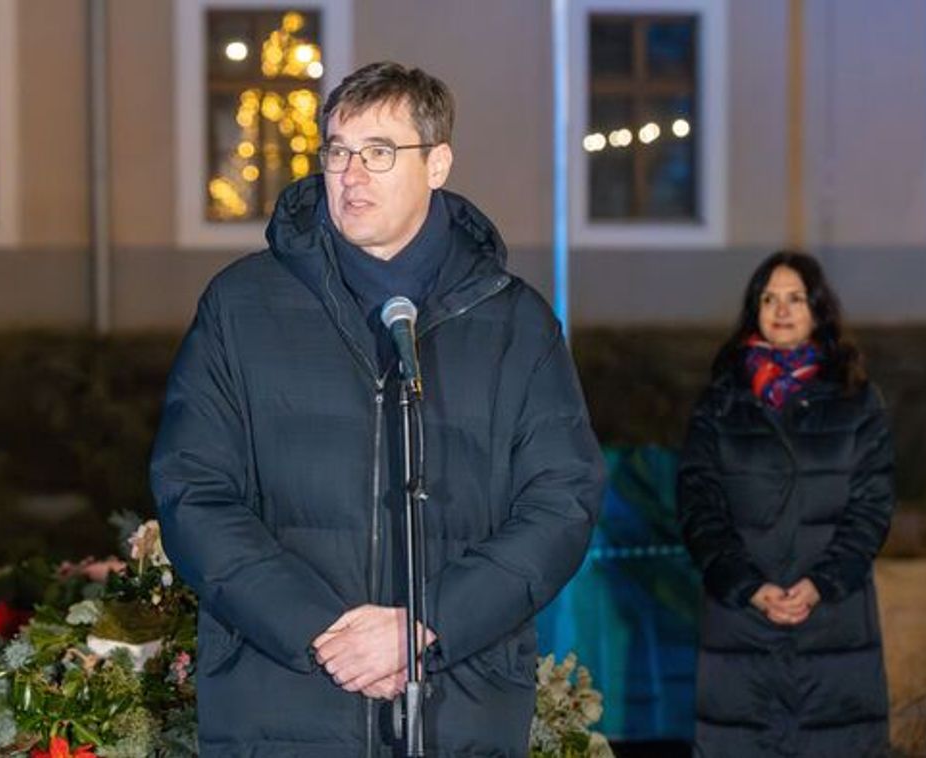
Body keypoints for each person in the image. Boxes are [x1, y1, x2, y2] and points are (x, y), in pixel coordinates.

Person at [150, 61, 604, 756]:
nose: (351, 174)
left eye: (379, 152)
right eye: (338, 151)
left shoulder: (515, 323)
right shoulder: (240, 307)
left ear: (437, 163)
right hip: (279, 698)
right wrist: (319, 631)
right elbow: (193, 490)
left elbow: (561, 500)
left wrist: (425, 624)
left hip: (459, 703)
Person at [678, 251, 893, 757]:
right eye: (769, 299)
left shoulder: (857, 399)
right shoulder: (720, 401)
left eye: (795, 298)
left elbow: (873, 505)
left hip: (834, 620)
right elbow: (698, 504)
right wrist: (749, 587)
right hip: (741, 621)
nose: (781, 310)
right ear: (753, 309)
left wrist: (821, 584)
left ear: (818, 309)